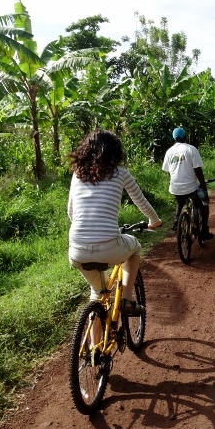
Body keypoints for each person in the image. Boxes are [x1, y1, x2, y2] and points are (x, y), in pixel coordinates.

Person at [67, 129, 161, 314]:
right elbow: (140, 201)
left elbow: (71, 212)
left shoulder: (77, 174)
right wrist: (154, 221)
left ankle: (94, 343)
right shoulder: (120, 173)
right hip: (110, 246)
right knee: (135, 247)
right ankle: (126, 300)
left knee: (97, 292)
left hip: (77, 248)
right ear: (114, 151)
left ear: (85, 150)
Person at [162, 127, 214, 240]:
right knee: (204, 203)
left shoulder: (169, 152)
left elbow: (169, 172)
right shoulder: (191, 149)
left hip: (174, 187)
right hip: (191, 188)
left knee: (179, 199)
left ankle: (176, 219)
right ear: (185, 137)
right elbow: (198, 170)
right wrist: (204, 189)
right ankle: (204, 230)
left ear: (174, 138)